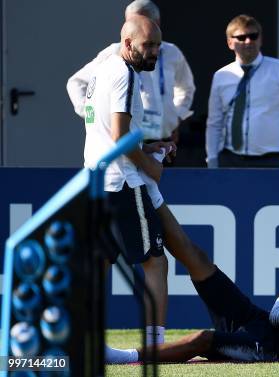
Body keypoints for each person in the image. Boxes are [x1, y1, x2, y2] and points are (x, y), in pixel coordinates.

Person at [105, 240, 279, 363]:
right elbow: (277, 317)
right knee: (202, 264)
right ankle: (154, 201)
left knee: (204, 339)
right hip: (259, 321)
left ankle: (124, 357)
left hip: (272, 350)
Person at [82, 15, 172, 346]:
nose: (154, 52)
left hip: (96, 180)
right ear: (128, 43)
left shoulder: (102, 69)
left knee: (101, 262)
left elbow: (106, 129)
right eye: (148, 45)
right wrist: (150, 165)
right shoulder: (124, 73)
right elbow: (119, 136)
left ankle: (88, 338)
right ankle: (155, 345)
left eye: (158, 46)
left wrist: (148, 145)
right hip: (122, 182)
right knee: (155, 262)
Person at [67, 0, 195, 144]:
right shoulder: (114, 53)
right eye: (129, 22)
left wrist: (175, 118)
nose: (132, 27)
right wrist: (96, 117)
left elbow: (186, 88)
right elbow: (77, 82)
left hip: (164, 138)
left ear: (156, 23)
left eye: (140, 21)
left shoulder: (172, 52)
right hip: (129, 140)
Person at [206, 14, 279, 168]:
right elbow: (214, 123)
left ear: (260, 39)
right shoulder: (221, 76)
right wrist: (213, 161)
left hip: (272, 160)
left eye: (253, 36)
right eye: (241, 37)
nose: (248, 41)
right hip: (230, 159)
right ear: (230, 42)